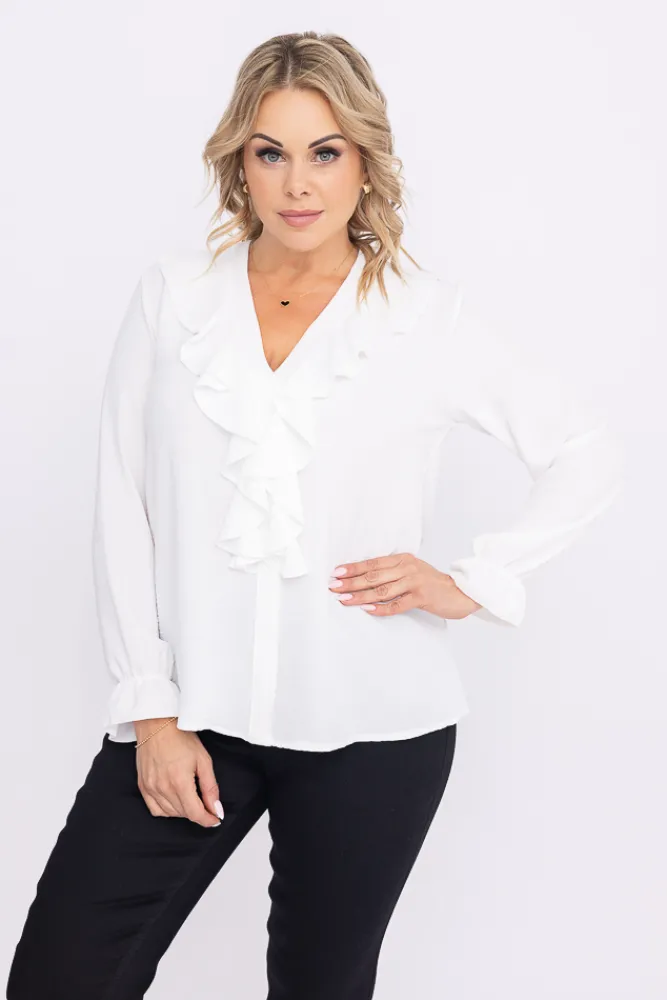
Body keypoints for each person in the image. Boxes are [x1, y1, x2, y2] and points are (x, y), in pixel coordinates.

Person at [6, 30, 623, 1000]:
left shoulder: (425, 318)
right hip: (192, 718)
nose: (298, 183)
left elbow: (584, 449)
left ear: (364, 161)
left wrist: (475, 579)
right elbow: (121, 505)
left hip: (373, 730)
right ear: (239, 164)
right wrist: (151, 713)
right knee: (61, 976)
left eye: (325, 151)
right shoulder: (174, 300)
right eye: (271, 152)